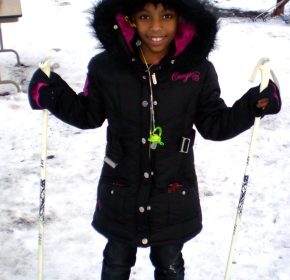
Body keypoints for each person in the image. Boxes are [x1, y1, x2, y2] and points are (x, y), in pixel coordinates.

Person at [28, 0, 281, 279]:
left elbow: (215, 124)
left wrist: (253, 105)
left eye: (167, 16)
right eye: (145, 16)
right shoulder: (105, 68)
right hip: (120, 189)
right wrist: (52, 94)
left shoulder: (198, 71)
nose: (157, 26)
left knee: (169, 261)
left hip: (172, 193)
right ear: (129, 20)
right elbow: (88, 114)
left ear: (181, 20)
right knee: (116, 259)